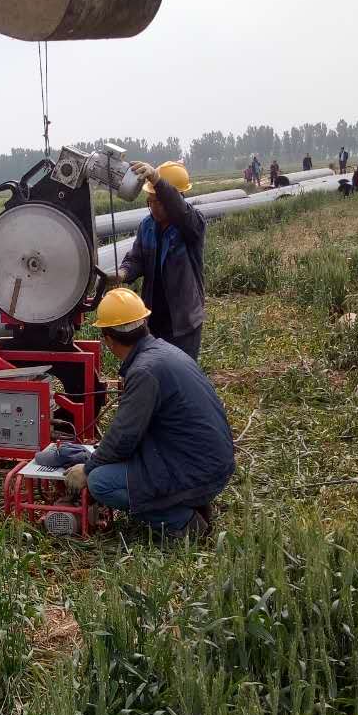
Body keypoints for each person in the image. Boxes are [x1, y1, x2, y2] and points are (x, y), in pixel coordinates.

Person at [59, 287, 235, 541]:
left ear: (107, 339)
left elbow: (124, 436)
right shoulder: (164, 352)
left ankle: (185, 523)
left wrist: (88, 469)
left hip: (198, 472)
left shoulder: (144, 372)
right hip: (207, 463)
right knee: (106, 464)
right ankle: (187, 504)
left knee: (100, 482)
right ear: (143, 323)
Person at [115, 159, 206, 360]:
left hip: (183, 321)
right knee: (156, 368)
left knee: (182, 370)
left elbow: (181, 210)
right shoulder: (147, 226)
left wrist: (157, 179)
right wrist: (123, 273)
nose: (155, 207)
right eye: (151, 201)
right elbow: (137, 258)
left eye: (160, 201)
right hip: (153, 319)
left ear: (176, 198)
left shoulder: (191, 225)